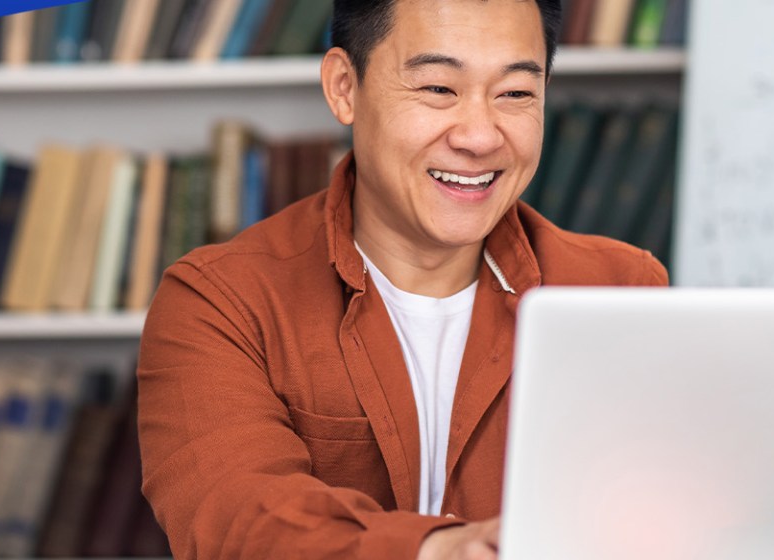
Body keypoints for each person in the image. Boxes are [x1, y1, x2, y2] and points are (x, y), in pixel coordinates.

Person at [136, 0, 669, 558]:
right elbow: (238, 517)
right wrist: (440, 549)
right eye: (439, 88)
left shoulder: (621, 291)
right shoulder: (220, 301)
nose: (481, 137)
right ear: (344, 86)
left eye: (515, 93)